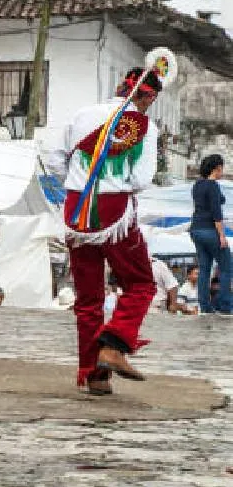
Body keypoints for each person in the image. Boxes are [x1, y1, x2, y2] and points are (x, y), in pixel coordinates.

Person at [46, 66, 165, 396]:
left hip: (75, 209)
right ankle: (114, 346)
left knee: (88, 298)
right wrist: (115, 183)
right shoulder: (144, 126)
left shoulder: (83, 114)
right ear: (149, 96)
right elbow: (141, 180)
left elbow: (54, 157)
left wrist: (75, 182)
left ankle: (95, 375)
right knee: (141, 283)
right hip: (115, 213)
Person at [190, 154, 230, 314]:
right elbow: (216, 212)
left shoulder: (197, 185)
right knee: (227, 267)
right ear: (217, 168)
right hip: (210, 230)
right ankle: (224, 305)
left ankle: (205, 307)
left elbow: (216, 201)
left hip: (195, 229)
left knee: (204, 269)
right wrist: (222, 235)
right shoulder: (213, 186)